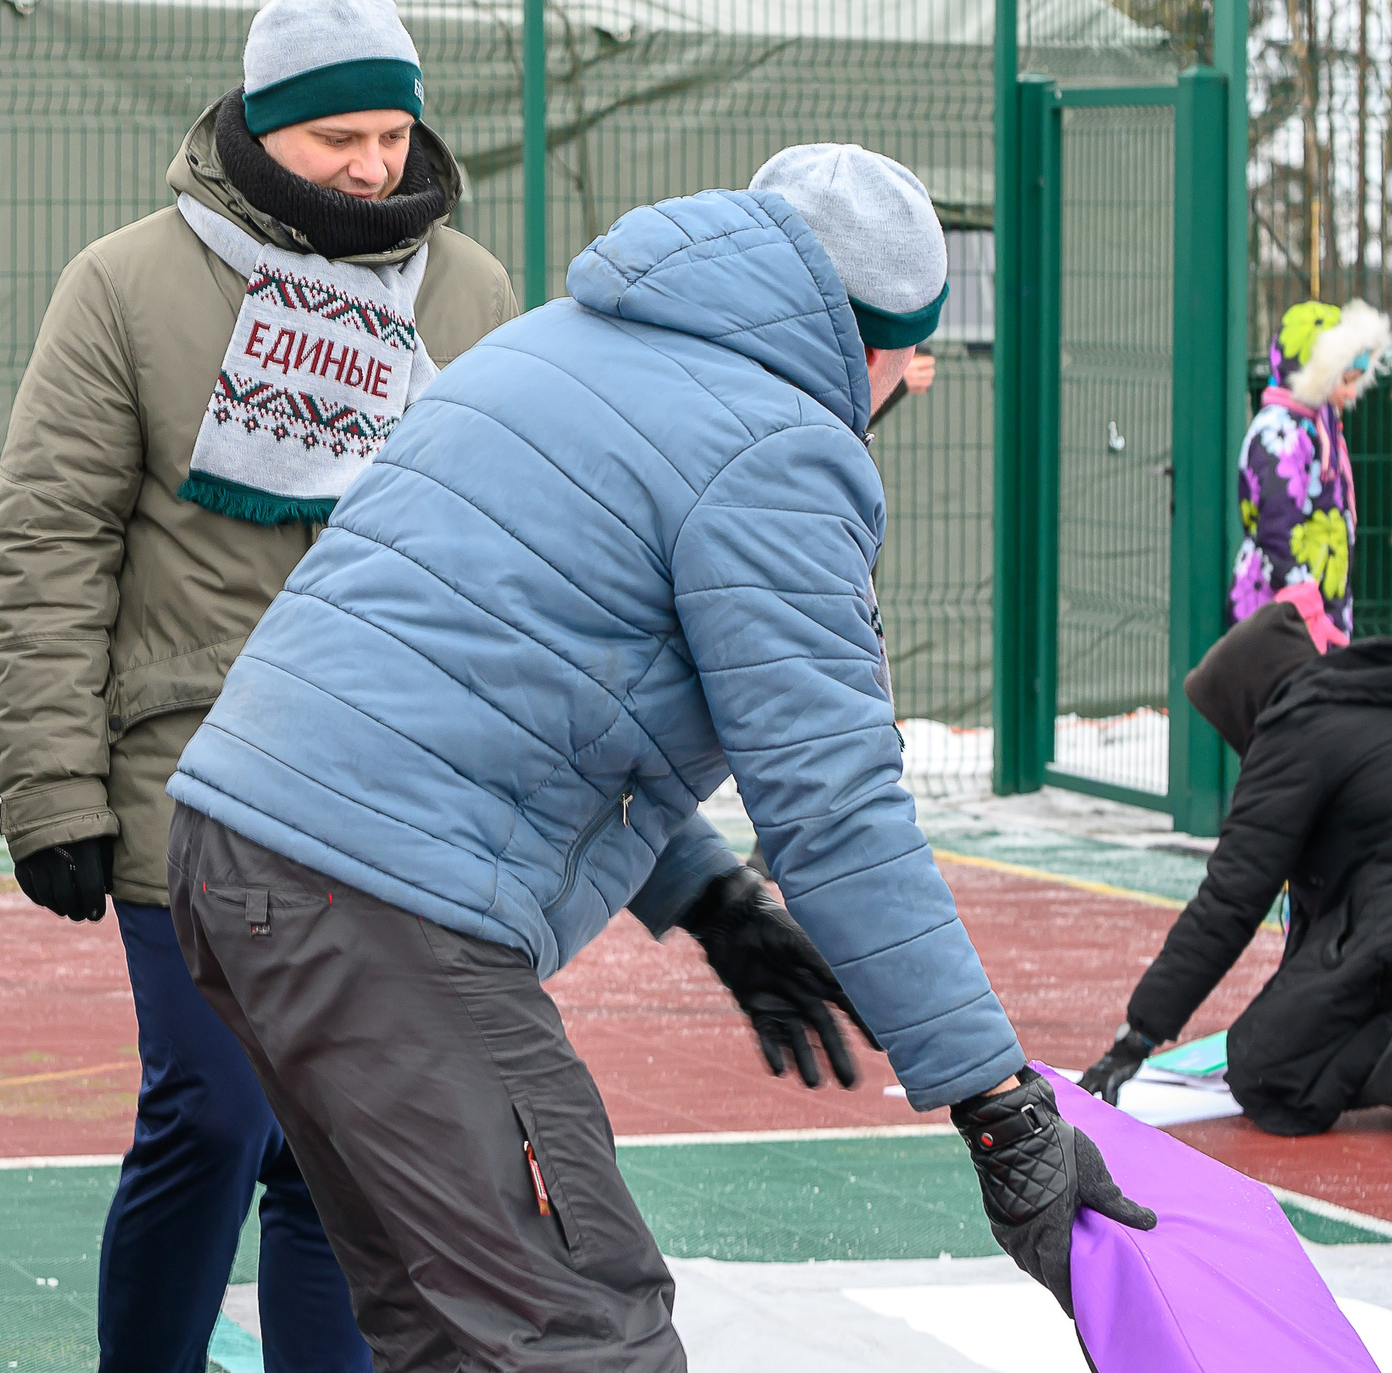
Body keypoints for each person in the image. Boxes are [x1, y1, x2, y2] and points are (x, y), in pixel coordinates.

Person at [163, 143, 1155, 1367]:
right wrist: (999, 1106)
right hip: (379, 904)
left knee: (442, 1333)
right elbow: (836, 808)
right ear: (875, 343)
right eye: (912, 359)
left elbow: (508, 672)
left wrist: (706, 895)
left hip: (240, 858)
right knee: (581, 1328)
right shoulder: (780, 445)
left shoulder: (548, 345)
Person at [0, 0, 518, 1370]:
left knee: (339, 1147)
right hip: (191, 779)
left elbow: (505, 543)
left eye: (394, 134)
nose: (375, 165)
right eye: (337, 137)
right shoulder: (126, 283)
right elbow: (48, 546)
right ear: (259, 130)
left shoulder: (468, 289)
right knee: (212, 1114)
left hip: (397, 794)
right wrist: (52, 793)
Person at [1080, 600, 1392, 1134]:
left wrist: (1140, 1034)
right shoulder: (1361, 701)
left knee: (1264, 1072)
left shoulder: (1294, 734)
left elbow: (1228, 902)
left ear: (1246, 700)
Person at [1230, 298, 1391, 645]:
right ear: (1317, 371)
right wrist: (1307, 617)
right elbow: (1278, 533)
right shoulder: (1280, 435)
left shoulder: (1319, 424)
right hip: (1284, 619)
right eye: (1345, 380)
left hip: (1318, 612)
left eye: (1356, 380)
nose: (1351, 393)